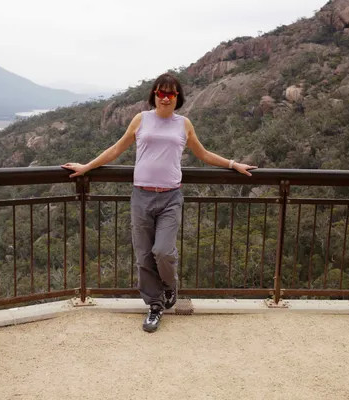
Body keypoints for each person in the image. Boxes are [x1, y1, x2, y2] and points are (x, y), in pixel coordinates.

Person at [62, 73, 257, 332]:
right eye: (161, 93)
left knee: (163, 251)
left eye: (171, 94)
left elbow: (204, 154)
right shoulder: (141, 119)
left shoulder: (184, 124)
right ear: (153, 95)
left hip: (170, 197)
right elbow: (116, 149)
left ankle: (170, 286)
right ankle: (154, 306)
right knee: (144, 256)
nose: (165, 98)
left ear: (178, 97)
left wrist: (234, 164)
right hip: (141, 196)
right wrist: (87, 167)